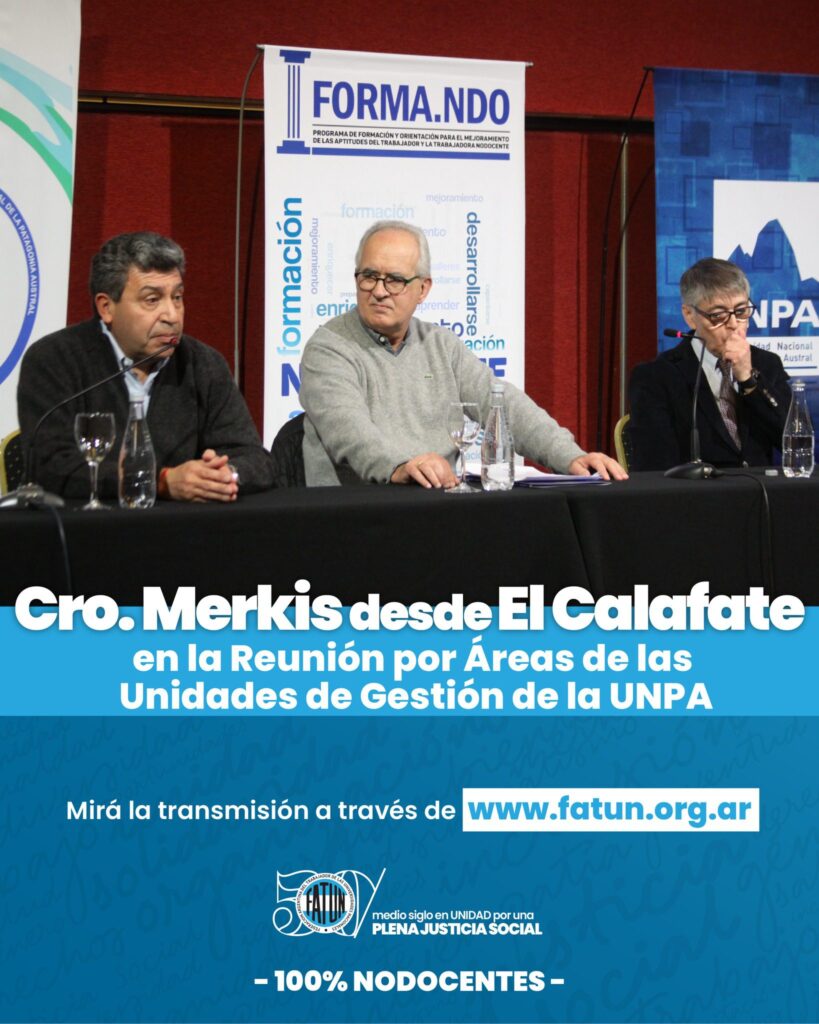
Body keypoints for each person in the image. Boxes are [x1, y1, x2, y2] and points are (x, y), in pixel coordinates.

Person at [299, 220, 626, 487]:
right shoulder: (329, 348)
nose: (379, 291)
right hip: (356, 515)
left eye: (395, 280)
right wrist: (399, 466)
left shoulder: (440, 344)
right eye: (369, 277)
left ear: (423, 289)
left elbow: (500, 402)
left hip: (437, 508)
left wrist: (570, 456)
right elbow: (349, 430)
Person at [18, 232, 273, 501]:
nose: (172, 315)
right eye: (152, 300)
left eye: (177, 297)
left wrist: (223, 476)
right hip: (83, 524)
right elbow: (51, 468)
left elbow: (257, 460)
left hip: (181, 526)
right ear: (106, 307)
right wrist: (160, 481)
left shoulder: (203, 364)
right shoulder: (54, 360)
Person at [629, 258, 791, 471]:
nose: (733, 324)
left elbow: (793, 442)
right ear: (689, 315)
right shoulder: (656, 377)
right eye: (718, 315)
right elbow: (655, 466)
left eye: (741, 312)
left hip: (762, 489)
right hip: (698, 491)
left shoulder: (767, 364)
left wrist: (748, 379)